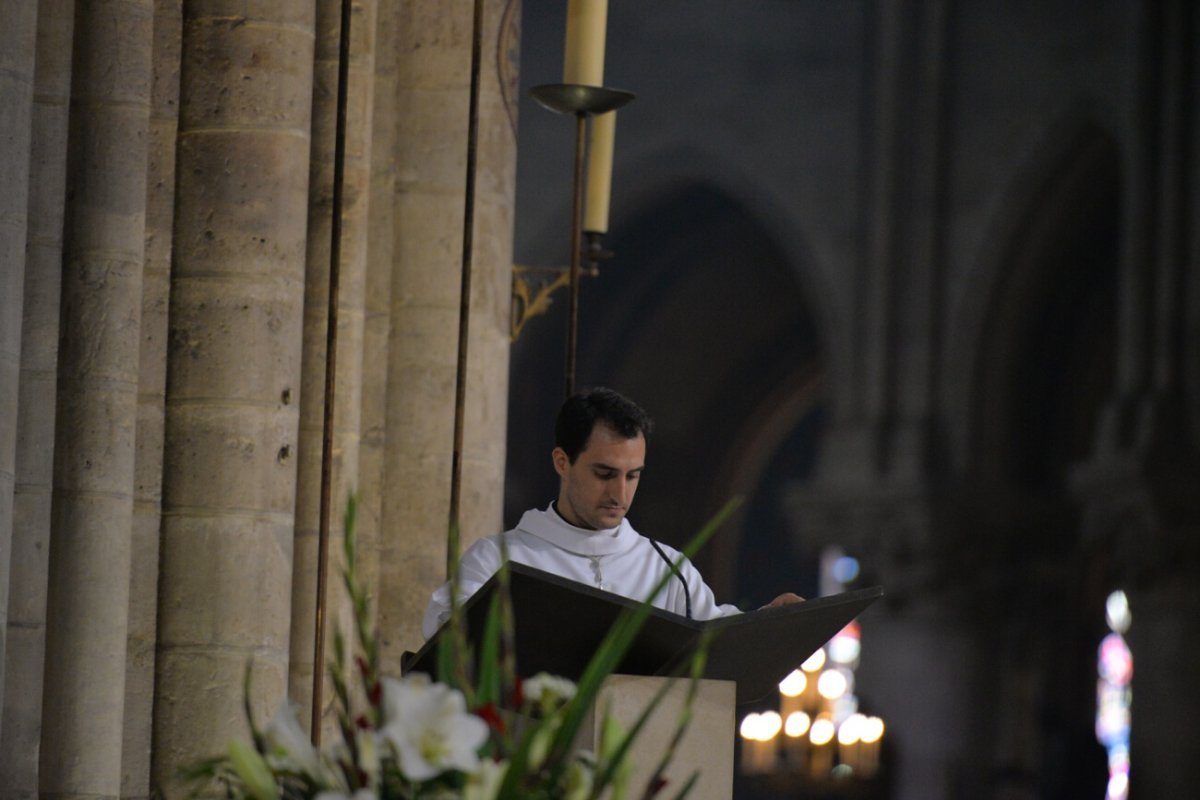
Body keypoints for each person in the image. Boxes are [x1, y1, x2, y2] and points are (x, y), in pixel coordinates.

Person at [422, 387, 801, 639]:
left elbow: (716, 642)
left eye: (632, 476)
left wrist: (771, 622)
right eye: (604, 474)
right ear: (562, 461)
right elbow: (444, 634)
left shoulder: (667, 571)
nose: (620, 493)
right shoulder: (500, 560)